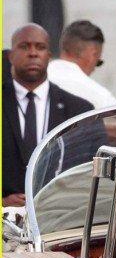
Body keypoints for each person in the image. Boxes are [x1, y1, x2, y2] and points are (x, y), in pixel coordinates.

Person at [3, 23, 94, 207]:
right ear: (11, 56)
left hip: (61, 217)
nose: (33, 53)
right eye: (24, 46)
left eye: (40, 47)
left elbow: (91, 174)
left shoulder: (79, 110)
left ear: (49, 56)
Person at [47, 20, 116, 109]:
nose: (94, 69)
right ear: (92, 55)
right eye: (98, 62)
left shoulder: (36, 83)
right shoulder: (102, 98)